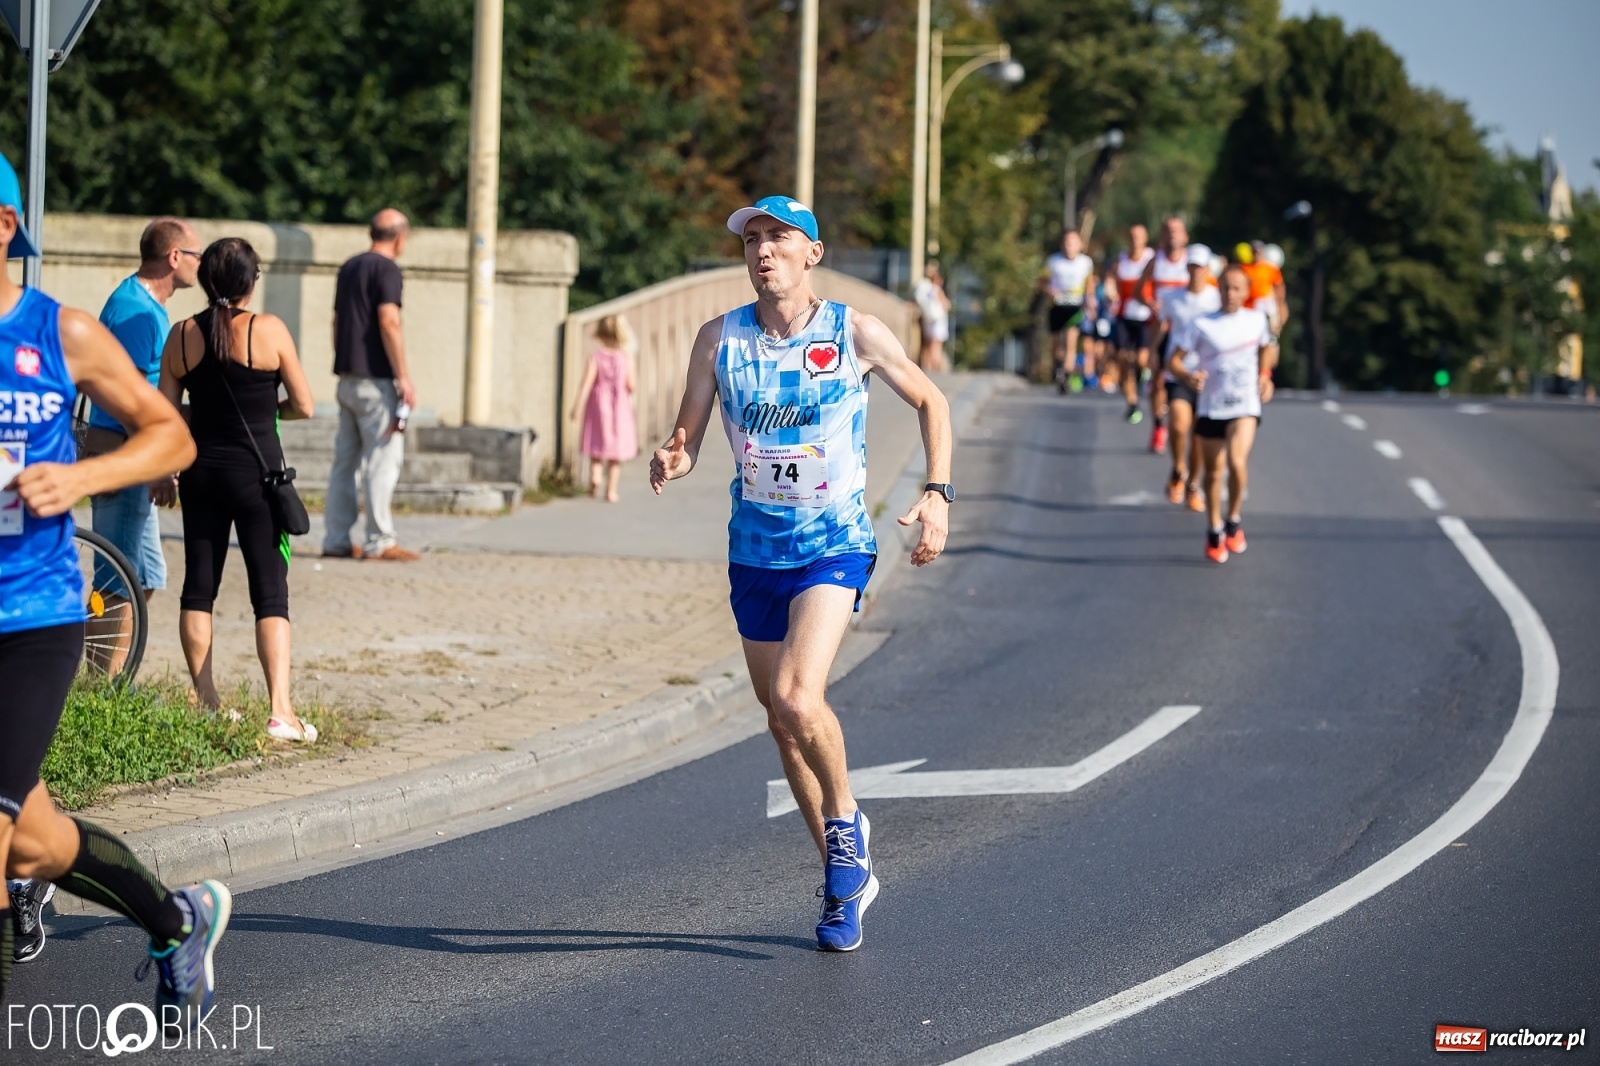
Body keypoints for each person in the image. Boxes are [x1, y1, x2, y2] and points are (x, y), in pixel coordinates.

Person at [650, 195, 952, 952]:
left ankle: (846, 822)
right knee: (784, 728)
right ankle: (843, 882)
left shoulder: (855, 332)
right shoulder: (719, 339)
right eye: (752, 239)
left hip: (833, 544)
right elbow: (687, 426)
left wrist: (937, 495)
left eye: (779, 238)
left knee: (796, 694)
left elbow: (932, 399)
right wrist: (675, 453)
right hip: (754, 551)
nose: (763, 251)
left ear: (812, 252)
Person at [0, 150, 230, 1024]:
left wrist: (80, 481)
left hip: (34, 615)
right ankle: (178, 921)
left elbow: (170, 437)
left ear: (4, 227)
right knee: (34, 839)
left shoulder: (62, 333)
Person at [158, 238, 318, 741]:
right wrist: (270, 411)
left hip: (201, 474)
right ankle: (280, 711)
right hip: (258, 477)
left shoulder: (182, 334)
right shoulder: (268, 330)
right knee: (270, 594)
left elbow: (165, 413)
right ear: (251, 282)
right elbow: (305, 404)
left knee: (198, 587)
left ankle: (206, 698)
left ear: (207, 281)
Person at [82, 217, 201, 674]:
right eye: (196, 255)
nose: (200, 265)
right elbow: (128, 398)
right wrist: (155, 464)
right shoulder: (135, 312)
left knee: (145, 575)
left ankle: (113, 678)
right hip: (124, 458)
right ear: (174, 258)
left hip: (136, 456)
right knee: (116, 579)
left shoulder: (148, 307)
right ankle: (99, 687)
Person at [323, 208, 418, 562]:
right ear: (399, 237)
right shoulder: (387, 269)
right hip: (376, 381)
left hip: (347, 378)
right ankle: (380, 540)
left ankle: (335, 539)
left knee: (344, 463)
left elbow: (336, 321)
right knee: (382, 460)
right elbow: (389, 321)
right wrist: (403, 376)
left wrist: (344, 360)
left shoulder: (349, 267)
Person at [1166, 264, 1277, 563]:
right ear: (1219, 289)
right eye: (1226, 287)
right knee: (1213, 473)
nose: (1230, 294)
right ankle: (1214, 528)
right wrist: (1188, 377)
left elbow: (1266, 349)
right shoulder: (1202, 324)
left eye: (1237, 288)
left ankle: (1234, 519)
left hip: (1244, 404)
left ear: (1246, 292)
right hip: (1211, 406)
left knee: (1236, 461)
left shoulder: (1256, 320)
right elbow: (1173, 362)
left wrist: (1265, 376)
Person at [1157, 244, 1220, 510]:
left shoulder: (1218, 298)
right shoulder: (1172, 298)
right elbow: (1160, 328)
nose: (1196, 272)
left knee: (1198, 437)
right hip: (1179, 372)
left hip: (1207, 377)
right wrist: (1153, 354)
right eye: (1192, 267)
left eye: (1201, 267)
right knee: (1179, 425)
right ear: (1187, 268)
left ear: (1208, 269)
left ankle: (1193, 485)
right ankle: (1178, 469)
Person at [569, 314, 638, 502]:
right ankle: (611, 491)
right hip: (620, 407)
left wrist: (577, 407)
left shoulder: (595, 357)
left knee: (597, 444)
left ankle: (596, 475)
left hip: (598, 405)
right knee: (616, 453)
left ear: (600, 333)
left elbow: (586, 383)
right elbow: (631, 385)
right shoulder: (626, 358)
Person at [1140, 217, 1191, 452]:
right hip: (1159, 329)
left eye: (1177, 231)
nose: (1173, 235)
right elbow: (1139, 291)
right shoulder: (1155, 262)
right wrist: (1150, 303)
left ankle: (1180, 415)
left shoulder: (1193, 262)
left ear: (1185, 237)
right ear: (1162, 236)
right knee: (1157, 379)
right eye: (1169, 231)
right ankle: (1159, 425)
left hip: (1184, 332)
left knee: (1181, 378)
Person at [1040, 230, 1096, 393]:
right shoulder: (1053, 261)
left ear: (1080, 245)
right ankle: (1059, 367)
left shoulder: (1085, 262)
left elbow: (1089, 283)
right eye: (1066, 242)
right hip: (1057, 306)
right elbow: (1042, 283)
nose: (1069, 246)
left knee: (1071, 341)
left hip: (1075, 305)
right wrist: (1051, 291)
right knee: (1057, 345)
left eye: (1073, 242)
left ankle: (1066, 374)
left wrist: (1090, 301)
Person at [1111, 224, 1156, 423]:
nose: (1135, 240)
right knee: (1121, 357)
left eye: (1138, 236)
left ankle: (1140, 378)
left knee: (1140, 360)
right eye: (1131, 237)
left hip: (1145, 316)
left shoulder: (1152, 259)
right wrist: (1112, 293)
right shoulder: (1121, 260)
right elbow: (1112, 281)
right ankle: (1132, 402)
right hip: (1124, 315)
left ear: (1145, 239)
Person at [912, 259, 951, 372]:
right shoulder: (936, 290)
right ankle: (935, 367)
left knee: (928, 344)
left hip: (927, 318)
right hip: (938, 319)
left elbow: (917, 300)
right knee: (936, 345)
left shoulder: (924, 288)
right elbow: (946, 304)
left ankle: (927, 366)